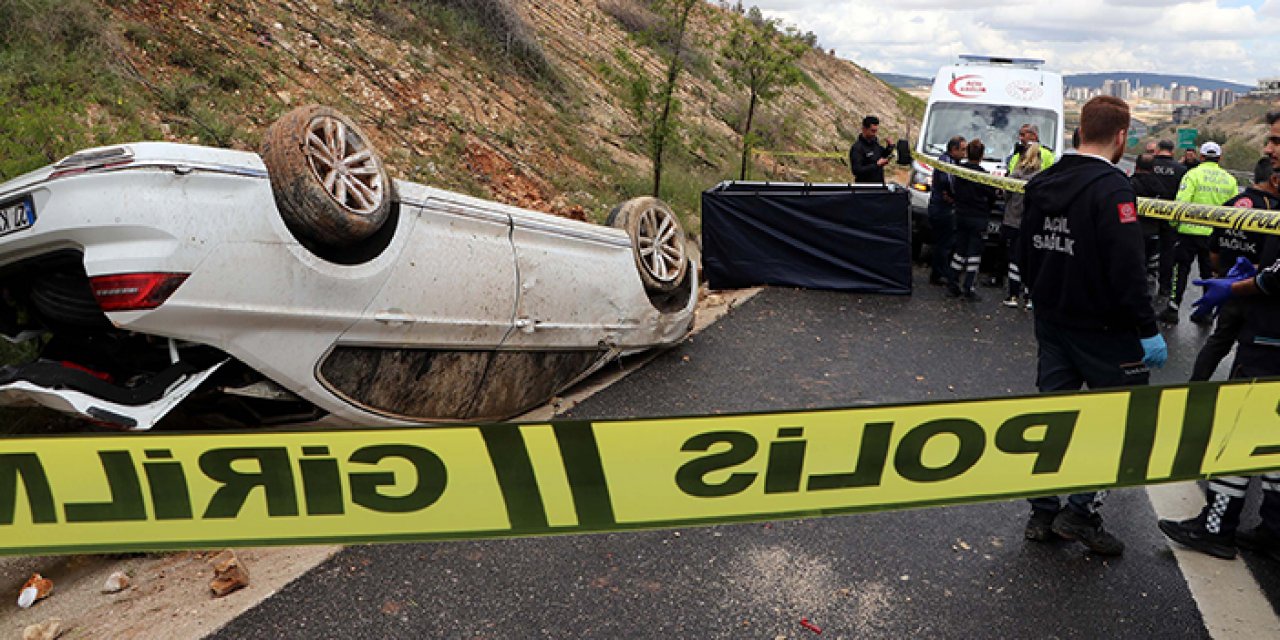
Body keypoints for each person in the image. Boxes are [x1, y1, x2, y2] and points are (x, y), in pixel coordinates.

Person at [1018, 95, 1166, 556]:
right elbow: (1127, 266)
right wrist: (1147, 327)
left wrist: (1044, 297)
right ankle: (1079, 514)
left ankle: (1042, 512)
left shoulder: (1043, 180)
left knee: (1053, 416)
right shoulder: (1113, 189)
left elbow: (1023, 251)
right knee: (1119, 423)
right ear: (1122, 137)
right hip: (1107, 331)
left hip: (1053, 320)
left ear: (1080, 130)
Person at [1159, 113, 1280, 561]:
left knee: (1240, 431)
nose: (1268, 151)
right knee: (1272, 436)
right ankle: (1273, 528)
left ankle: (1217, 528)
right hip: (1264, 328)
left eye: (1275, 142)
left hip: (1270, 337)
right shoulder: (1242, 193)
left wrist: (1239, 286)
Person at [1188, 161, 1278, 381]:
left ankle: (1194, 390)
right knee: (1250, 353)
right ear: (1273, 180)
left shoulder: (1231, 204)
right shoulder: (1272, 211)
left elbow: (1214, 251)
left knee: (1218, 342)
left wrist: (1224, 277)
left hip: (1229, 286)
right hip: (1256, 292)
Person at [1161, 142, 1237, 325]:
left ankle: (1173, 308)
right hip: (1215, 235)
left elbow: (1181, 203)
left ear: (1201, 157)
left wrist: (1173, 225)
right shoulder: (1230, 180)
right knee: (1209, 274)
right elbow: (1235, 210)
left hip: (1188, 232)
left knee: (1181, 271)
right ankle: (1206, 312)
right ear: (1219, 158)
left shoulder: (1192, 175)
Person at [947, 138, 997, 301]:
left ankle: (952, 283)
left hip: (961, 215)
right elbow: (992, 196)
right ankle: (968, 287)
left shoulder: (960, 171)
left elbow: (952, 189)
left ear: (967, 153)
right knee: (974, 254)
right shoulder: (983, 176)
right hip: (978, 217)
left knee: (959, 251)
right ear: (981, 155)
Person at [1001, 142, 1045, 308]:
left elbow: (1007, 194)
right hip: (1032, 223)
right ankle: (1029, 296)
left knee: (1014, 258)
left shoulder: (1016, 175)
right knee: (1031, 259)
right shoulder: (1041, 178)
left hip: (1013, 221)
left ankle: (1013, 295)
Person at [1152, 139, 1189, 310]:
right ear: (1173, 151)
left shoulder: (1148, 164)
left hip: (1148, 215)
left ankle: (1139, 281)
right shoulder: (1181, 170)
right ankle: (1165, 287)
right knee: (1168, 254)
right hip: (1170, 216)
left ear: (1158, 149)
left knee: (1142, 249)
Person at [927, 136, 966, 285]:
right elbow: (948, 180)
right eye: (962, 149)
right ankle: (940, 273)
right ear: (953, 149)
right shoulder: (946, 161)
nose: (965, 153)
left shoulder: (953, 161)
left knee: (945, 242)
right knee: (944, 243)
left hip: (944, 206)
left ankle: (940, 272)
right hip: (941, 208)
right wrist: (955, 195)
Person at [1129, 154, 1165, 294]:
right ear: (1153, 168)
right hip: (1154, 233)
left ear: (1136, 167)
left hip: (1133, 233)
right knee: (1151, 270)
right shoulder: (1160, 187)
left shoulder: (1129, 184)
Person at [849, 115, 894, 183]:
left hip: (879, 186)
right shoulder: (857, 148)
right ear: (864, 129)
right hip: (865, 188)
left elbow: (882, 155)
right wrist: (876, 165)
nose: (875, 134)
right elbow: (857, 170)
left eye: (876, 131)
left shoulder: (875, 143)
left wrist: (890, 147)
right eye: (872, 131)